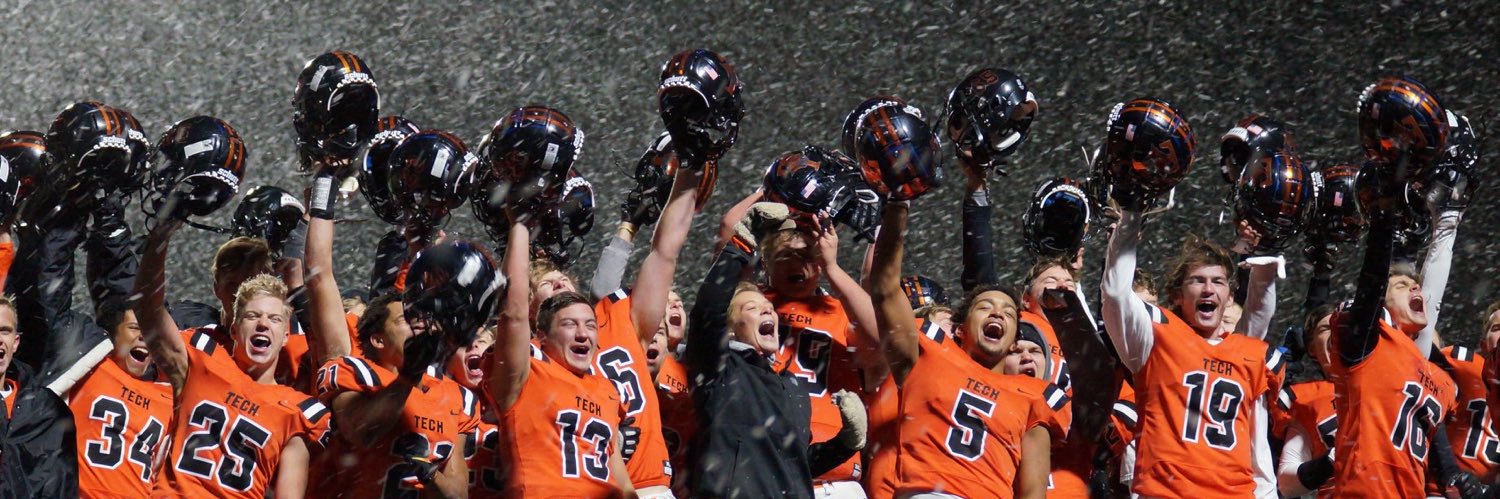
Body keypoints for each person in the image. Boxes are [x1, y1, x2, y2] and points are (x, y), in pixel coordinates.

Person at [868, 200, 1068, 498]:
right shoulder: (930, 352)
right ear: (960, 329)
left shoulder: (1033, 394)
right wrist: (898, 204)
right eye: (985, 307)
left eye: (1009, 313)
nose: (998, 313)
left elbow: (1033, 492)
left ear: (1014, 340)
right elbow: (884, 288)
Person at [681, 204, 865, 497]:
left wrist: (844, 443)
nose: (767, 312)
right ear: (729, 326)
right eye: (752, 308)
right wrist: (741, 241)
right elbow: (708, 308)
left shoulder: (792, 386)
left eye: (769, 309)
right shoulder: (719, 365)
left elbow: (795, 464)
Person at [488, 219, 634, 496]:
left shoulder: (606, 390)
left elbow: (623, 482)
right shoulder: (527, 375)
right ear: (541, 336)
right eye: (569, 324)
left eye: (590, 325)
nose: (583, 334)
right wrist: (519, 224)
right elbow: (513, 312)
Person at [64, 298, 173, 499]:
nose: (143, 337)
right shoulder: (89, 368)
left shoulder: (169, 398)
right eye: (135, 328)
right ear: (112, 333)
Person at [1275, 306, 1338, 498]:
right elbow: (1286, 483)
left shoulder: (1389, 380)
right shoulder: (1306, 399)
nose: (1336, 330)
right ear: (1311, 347)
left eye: (1343, 324)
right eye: (1326, 328)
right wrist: (1331, 460)